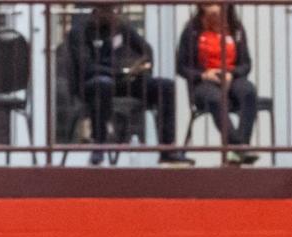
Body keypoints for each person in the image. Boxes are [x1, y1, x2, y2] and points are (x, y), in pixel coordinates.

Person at [70, 4, 193, 165]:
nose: (112, 15)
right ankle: (99, 146)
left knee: (165, 86)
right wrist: (121, 70)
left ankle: (167, 149)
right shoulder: (80, 32)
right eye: (107, 11)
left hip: (123, 81)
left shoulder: (122, 28)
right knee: (102, 84)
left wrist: (139, 69)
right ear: (96, 12)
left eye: (115, 11)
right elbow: (86, 67)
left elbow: (146, 51)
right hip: (94, 83)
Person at [176, 4, 259, 163]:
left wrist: (231, 74)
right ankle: (238, 146)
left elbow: (246, 64)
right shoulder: (192, 29)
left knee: (248, 91)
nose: (214, 10)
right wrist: (203, 74)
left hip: (231, 78)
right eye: (208, 5)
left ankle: (241, 146)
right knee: (215, 98)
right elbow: (181, 66)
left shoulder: (236, 28)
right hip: (204, 82)